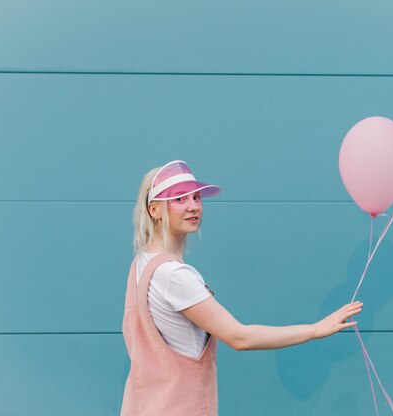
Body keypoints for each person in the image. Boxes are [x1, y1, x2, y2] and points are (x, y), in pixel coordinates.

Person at [121, 160, 363, 416]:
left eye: (196, 197)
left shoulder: (141, 264)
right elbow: (239, 337)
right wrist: (314, 330)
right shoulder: (174, 275)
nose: (193, 206)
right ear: (154, 210)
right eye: (179, 199)